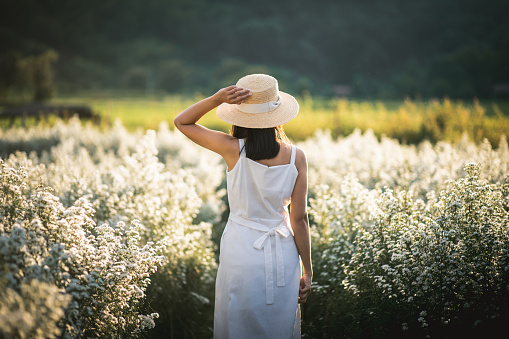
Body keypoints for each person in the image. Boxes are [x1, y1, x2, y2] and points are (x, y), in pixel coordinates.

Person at [174, 74, 312, 338]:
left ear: (240, 116)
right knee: (279, 326)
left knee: (238, 322)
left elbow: (182, 121)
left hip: (241, 250)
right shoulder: (297, 156)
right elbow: (300, 219)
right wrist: (307, 270)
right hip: (283, 254)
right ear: (277, 115)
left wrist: (216, 99)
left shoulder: (231, 149)